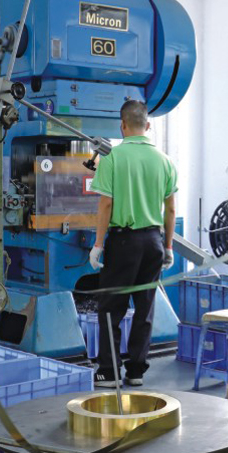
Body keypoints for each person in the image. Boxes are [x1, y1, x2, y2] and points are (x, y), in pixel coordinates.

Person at [88, 100, 178, 388]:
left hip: (124, 241)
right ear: (147, 125)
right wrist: (168, 247)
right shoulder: (165, 161)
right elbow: (171, 209)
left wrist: (98, 244)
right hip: (153, 242)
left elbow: (106, 205)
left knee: (111, 307)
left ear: (122, 125)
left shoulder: (113, 158)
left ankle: (109, 371)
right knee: (144, 307)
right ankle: (136, 371)